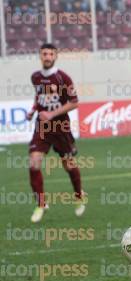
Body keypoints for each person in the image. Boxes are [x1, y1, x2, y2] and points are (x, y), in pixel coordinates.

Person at [27, 43, 85, 223]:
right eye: (44, 53)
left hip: (60, 127)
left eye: (50, 54)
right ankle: (41, 203)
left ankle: (79, 195)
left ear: (55, 56)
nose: (47, 57)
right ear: (40, 56)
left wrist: (51, 113)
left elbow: (74, 102)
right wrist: (33, 110)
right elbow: (39, 97)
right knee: (34, 163)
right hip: (42, 127)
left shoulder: (63, 78)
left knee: (68, 165)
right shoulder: (35, 77)